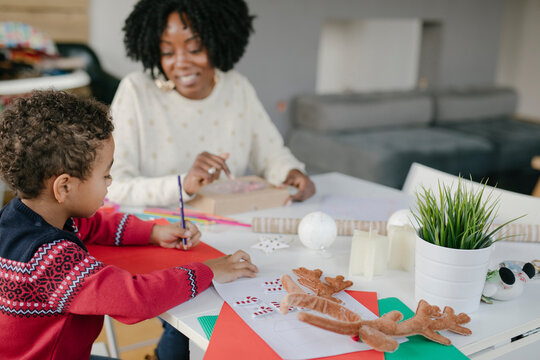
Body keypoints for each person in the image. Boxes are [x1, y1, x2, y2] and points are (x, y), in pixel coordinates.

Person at [0, 90, 258, 360]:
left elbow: (93, 225)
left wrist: (153, 232)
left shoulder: (17, 218)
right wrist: (209, 270)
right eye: (106, 174)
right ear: (65, 186)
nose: (110, 182)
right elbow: (138, 299)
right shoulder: (48, 260)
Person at [107, 0, 316, 209]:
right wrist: (183, 185)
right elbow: (113, 186)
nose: (181, 63)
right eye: (168, 53)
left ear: (219, 42)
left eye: (195, 49)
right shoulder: (136, 91)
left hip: (231, 223)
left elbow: (270, 154)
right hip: (159, 229)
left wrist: (290, 173)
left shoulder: (236, 87)